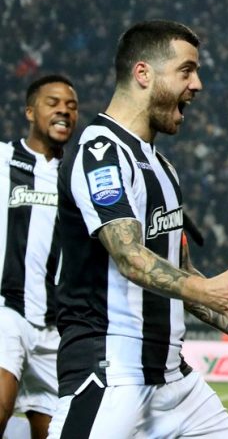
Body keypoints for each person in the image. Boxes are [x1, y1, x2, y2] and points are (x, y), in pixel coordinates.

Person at [49, 20, 228, 439]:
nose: (197, 85)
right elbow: (130, 258)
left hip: (173, 379)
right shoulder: (100, 153)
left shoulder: (162, 166)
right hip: (112, 372)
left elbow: (180, 274)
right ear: (143, 73)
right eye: (186, 71)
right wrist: (201, 289)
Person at [0, 75, 79, 439]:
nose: (64, 110)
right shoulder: (3, 160)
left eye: (71, 106)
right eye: (53, 103)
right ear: (30, 112)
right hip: (7, 312)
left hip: (55, 329)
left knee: (55, 432)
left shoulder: (76, 178)